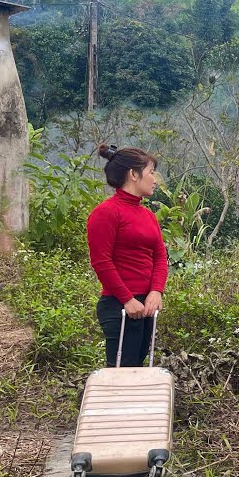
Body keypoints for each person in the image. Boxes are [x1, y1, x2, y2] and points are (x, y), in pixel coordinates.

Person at [87, 144, 166, 368]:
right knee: (122, 372)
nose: (154, 180)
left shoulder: (148, 216)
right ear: (133, 174)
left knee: (137, 369)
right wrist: (127, 299)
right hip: (119, 306)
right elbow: (101, 262)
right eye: (151, 172)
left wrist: (156, 291)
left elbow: (160, 256)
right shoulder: (105, 213)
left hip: (146, 306)